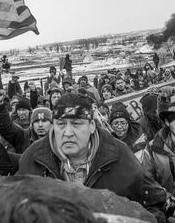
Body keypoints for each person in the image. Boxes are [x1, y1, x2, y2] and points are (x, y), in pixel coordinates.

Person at [17, 93, 167, 223]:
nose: (67, 132)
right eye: (61, 124)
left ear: (92, 126)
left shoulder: (119, 154)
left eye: (76, 124)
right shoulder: (32, 158)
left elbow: (155, 202)